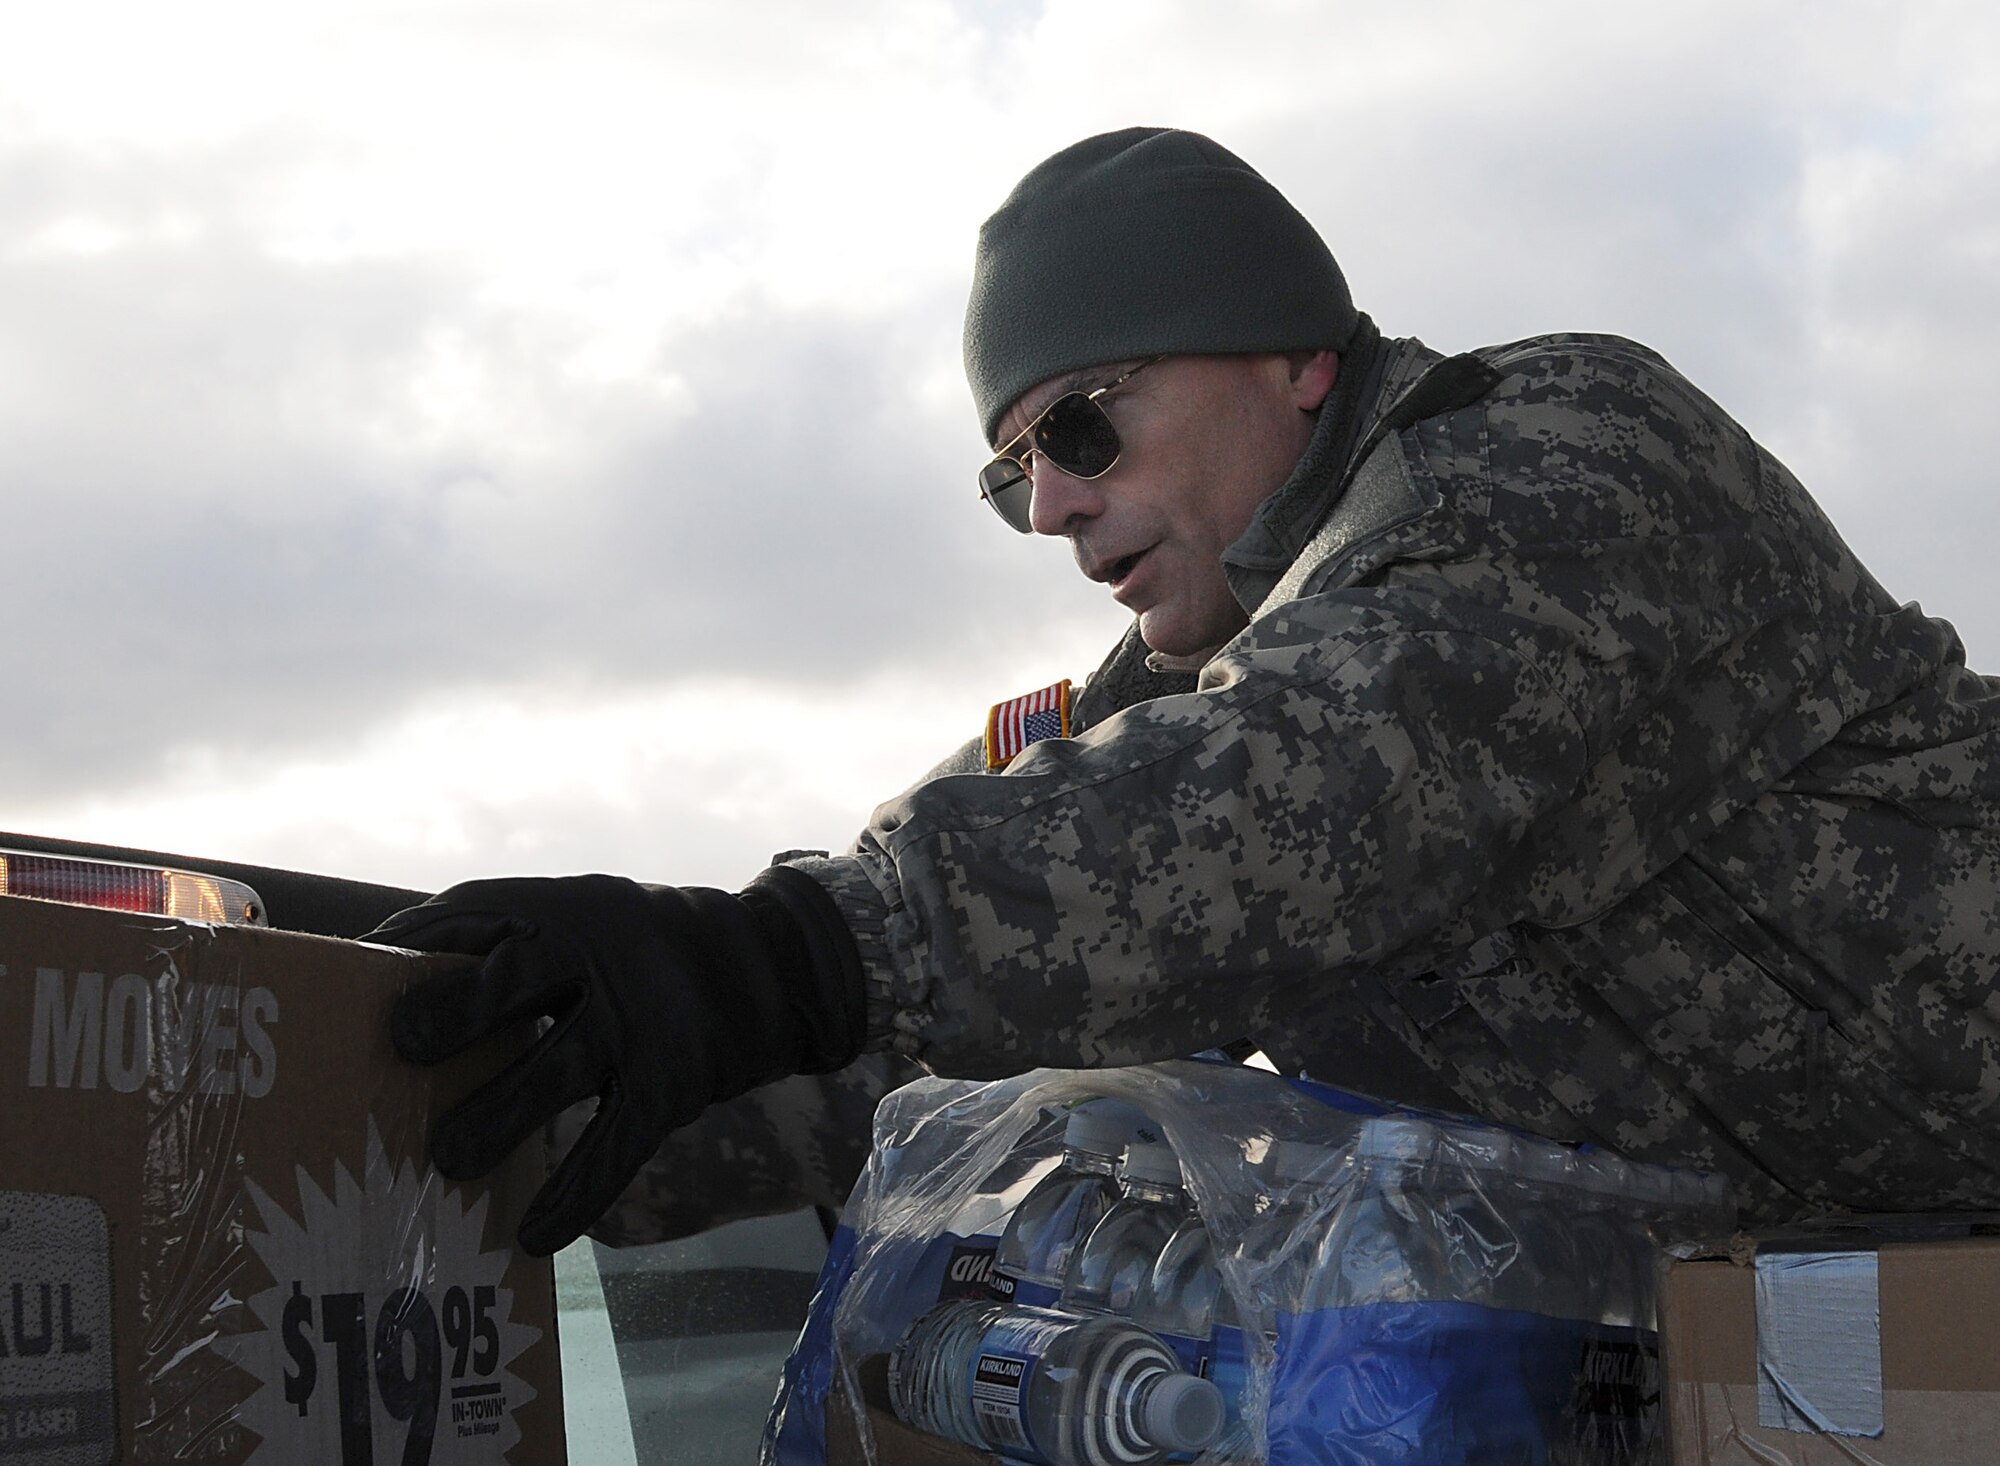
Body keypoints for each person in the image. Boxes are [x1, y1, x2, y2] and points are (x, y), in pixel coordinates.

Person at [371, 127, 2000, 1258]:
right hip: (1828, 1332)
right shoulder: (1185, 689)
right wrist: (472, 1113)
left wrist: (784, 950)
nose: (1059, 505)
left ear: (1292, 357)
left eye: (1082, 426)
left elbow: (1311, 799)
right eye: (1015, 475)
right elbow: (936, 1042)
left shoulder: (1559, 453)